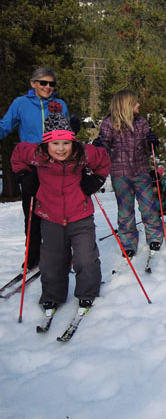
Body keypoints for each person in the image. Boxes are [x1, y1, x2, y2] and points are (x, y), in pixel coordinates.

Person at [10, 105, 110, 310]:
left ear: (73, 141)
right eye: (55, 143)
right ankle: (52, 295)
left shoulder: (83, 154)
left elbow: (104, 160)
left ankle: (88, 291)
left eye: (66, 143)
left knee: (85, 257)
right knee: (52, 259)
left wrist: (97, 179)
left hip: (80, 214)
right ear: (47, 142)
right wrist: (23, 176)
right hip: (50, 216)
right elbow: (17, 155)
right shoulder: (36, 154)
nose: (61, 148)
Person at [0, 67, 78, 269]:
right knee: (32, 213)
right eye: (43, 82)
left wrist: (73, 129)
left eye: (51, 84)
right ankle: (33, 256)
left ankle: (63, 254)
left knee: (60, 211)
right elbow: (5, 126)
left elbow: (67, 132)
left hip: (56, 165)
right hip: (32, 164)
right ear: (33, 83)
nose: (48, 87)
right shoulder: (21, 103)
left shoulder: (59, 104)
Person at [96, 90, 163, 258]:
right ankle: (128, 242)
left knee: (148, 207)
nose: (138, 105)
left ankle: (154, 235)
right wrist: (97, 146)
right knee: (125, 211)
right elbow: (103, 148)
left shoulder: (141, 122)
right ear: (126, 105)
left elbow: (148, 147)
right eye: (135, 103)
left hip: (141, 171)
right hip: (120, 174)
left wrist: (152, 141)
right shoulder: (109, 123)